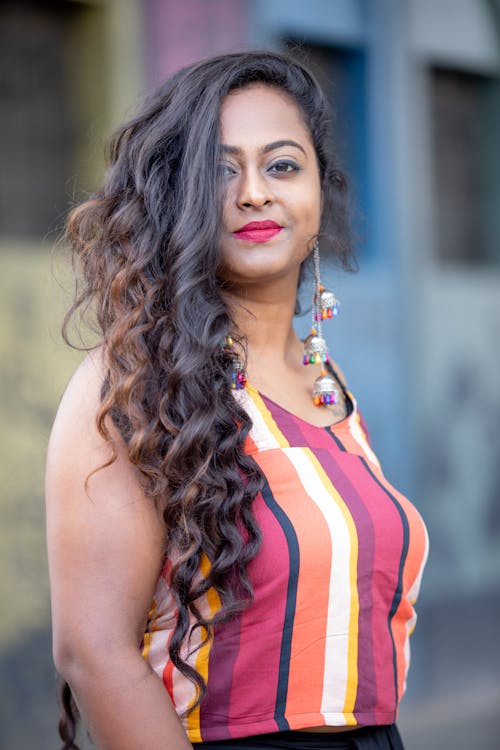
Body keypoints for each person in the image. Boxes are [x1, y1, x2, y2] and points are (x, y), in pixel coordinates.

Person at [45, 51, 429, 750]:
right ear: (175, 197)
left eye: (282, 165)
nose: (253, 192)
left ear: (321, 190)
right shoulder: (132, 384)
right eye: (219, 171)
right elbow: (93, 653)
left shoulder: (327, 384)